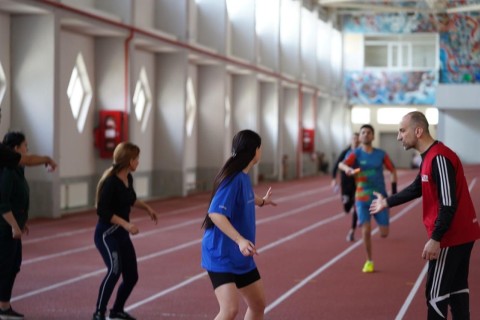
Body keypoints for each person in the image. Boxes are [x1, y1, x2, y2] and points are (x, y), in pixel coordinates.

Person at [370, 111, 480, 319]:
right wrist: (386, 202)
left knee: (435, 295)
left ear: (418, 131)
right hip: (460, 235)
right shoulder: (430, 156)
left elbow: (448, 204)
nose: (398, 136)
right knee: (457, 290)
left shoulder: (439, 157)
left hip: (451, 237)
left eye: (402, 130)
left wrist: (436, 238)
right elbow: (416, 187)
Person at [201, 130, 277, 320]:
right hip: (220, 254)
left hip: (240, 255)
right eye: (260, 148)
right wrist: (240, 240)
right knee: (229, 310)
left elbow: (247, 196)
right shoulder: (232, 179)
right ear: (255, 151)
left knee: (258, 305)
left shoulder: (242, 177)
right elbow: (215, 213)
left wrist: (262, 201)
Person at [92, 142, 158, 320]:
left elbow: (131, 199)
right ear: (129, 161)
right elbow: (103, 211)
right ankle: (99, 312)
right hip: (106, 234)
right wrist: (126, 224)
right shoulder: (110, 182)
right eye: (136, 159)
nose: (138, 162)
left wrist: (147, 209)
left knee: (131, 276)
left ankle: (117, 311)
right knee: (114, 270)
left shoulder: (128, 179)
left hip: (121, 235)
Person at [338, 124, 397, 273]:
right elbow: (341, 164)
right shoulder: (355, 153)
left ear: (373, 136)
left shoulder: (381, 154)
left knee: (384, 233)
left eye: (368, 132)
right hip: (362, 197)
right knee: (366, 230)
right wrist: (348, 169)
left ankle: (375, 220)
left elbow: (392, 170)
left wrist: (394, 191)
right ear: (360, 135)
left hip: (379, 197)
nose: (365, 134)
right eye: (363, 132)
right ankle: (369, 260)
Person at [0, 132, 31, 320]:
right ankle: (3, 307)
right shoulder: (8, 171)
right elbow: (3, 203)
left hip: (13, 227)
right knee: (6, 266)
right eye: (25, 145)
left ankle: (5, 305)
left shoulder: (18, 169)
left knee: (13, 266)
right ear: (16, 149)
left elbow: (18, 199)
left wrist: (21, 223)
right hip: (4, 229)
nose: (27, 149)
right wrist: (14, 226)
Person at [331, 132, 360, 242]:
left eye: (357, 139)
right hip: (346, 182)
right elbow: (336, 165)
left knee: (357, 205)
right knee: (347, 208)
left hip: (358, 181)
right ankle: (351, 207)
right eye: (354, 138)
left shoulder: (361, 153)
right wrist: (334, 179)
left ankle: (352, 231)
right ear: (351, 140)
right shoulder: (345, 152)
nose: (355, 141)